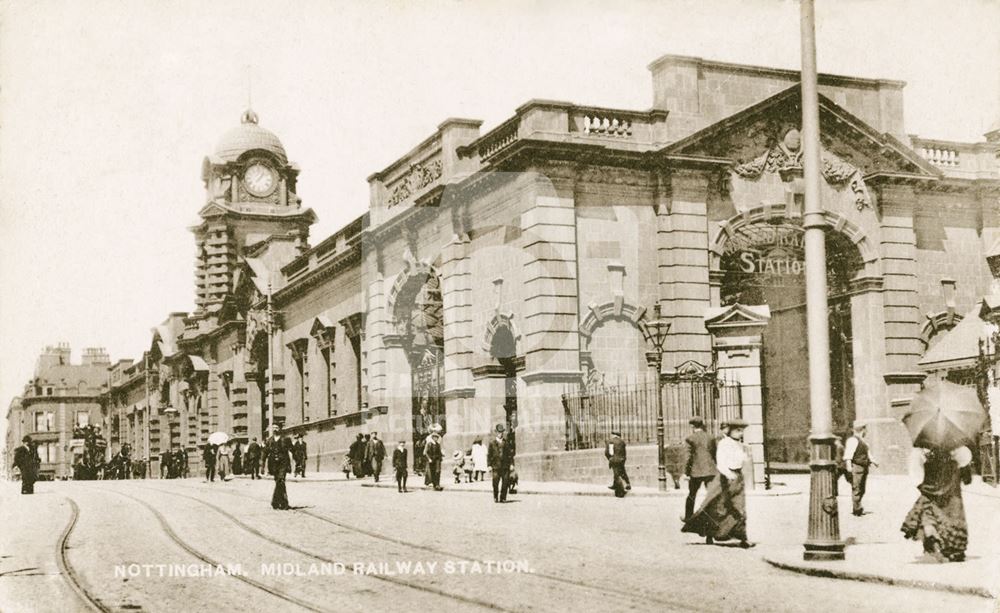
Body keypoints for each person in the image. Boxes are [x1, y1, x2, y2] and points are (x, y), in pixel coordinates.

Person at [682, 419, 753, 548]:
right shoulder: (724, 444)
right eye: (738, 431)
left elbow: (743, 461)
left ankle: (743, 537)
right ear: (730, 430)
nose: (740, 433)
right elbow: (720, 462)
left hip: (737, 478)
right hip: (725, 479)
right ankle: (709, 533)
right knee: (718, 507)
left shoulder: (740, 445)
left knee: (740, 507)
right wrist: (728, 474)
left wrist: (746, 456)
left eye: (742, 431)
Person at [901, 445, 972, 562]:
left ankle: (933, 541)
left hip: (932, 489)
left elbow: (915, 472)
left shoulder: (922, 451)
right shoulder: (959, 448)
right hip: (951, 491)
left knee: (929, 513)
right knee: (953, 518)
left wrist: (922, 486)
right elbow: (966, 472)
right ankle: (953, 548)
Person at [683, 417, 718, 521]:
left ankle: (688, 517)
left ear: (692, 426)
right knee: (711, 495)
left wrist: (686, 472)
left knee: (692, 494)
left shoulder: (690, 438)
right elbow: (714, 453)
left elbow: (688, 457)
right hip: (710, 470)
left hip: (696, 471)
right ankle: (714, 517)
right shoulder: (710, 437)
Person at [845, 423, 877, 516]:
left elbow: (868, 453)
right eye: (865, 430)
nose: (866, 432)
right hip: (857, 466)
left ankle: (858, 506)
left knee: (862, 489)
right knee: (857, 488)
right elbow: (848, 454)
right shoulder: (853, 440)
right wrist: (849, 467)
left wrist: (874, 461)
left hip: (864, 467)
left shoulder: (863, 442)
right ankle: (857, 509)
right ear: (862, 430)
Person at [263, 427, 293, 510]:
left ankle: (278, 502)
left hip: (283, 463)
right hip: (273, 465)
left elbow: (293, 450)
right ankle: (280, 502)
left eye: (276, 427)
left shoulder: (286, 439)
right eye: (273, 428)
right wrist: (262, 465)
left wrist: (298, 464)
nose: (274, 429)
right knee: (278, 482)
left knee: (281, 480)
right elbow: (265, 452)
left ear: (280, 429)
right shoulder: (269, 440)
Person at [488, 424, 514, 502]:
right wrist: (489, 465)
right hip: (495, 466)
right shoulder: (492, 443)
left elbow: (510, 455)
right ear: (496, 432)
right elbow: (489, 455)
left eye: (502, 432)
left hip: (505, 466)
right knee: (495, 482)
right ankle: (495, 496)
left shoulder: (506, 443)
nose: (501, 434)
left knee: (505, 482)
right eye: (499, 432)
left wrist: (512, 464)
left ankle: (503, 497)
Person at [605, 429, 631, 494]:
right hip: (622, 460)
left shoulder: (610, 441)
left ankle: (621, 491)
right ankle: (627, 484)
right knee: (622, 472)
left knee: (616, 474)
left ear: (613, 435)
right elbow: (624, 452)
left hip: (614, 460)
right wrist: (623, 459)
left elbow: (608, 452)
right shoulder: (622, 442)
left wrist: (610, 459)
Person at [424, 426, 444, 490]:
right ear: (432, 437)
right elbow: (425, 452)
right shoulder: (429, 444)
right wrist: (429, 459)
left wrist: (441, 456)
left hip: (437, 459)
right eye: (435, 437)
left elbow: (439, 452)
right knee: (432, 472)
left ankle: (437, 484)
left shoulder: (438, 444)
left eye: (437, 437)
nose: (436, 438)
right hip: (431, 459)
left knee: (438, 471)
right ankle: (434, 484)